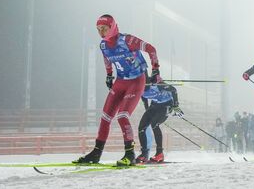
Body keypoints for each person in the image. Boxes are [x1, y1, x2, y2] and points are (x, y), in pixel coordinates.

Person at [74, 14, 160, 166]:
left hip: (136, 81)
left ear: (112, 27)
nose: (101, 32)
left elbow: (151, 49)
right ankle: (96, 153)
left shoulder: (127, 40)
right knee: (105, 117)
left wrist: (155, 70)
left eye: (104, 28)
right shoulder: (103, 45)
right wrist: (109, 75)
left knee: (122, 116)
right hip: (120, 82)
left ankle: (130, 154)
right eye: (98, 29)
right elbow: (107, 59)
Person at [135, 74, 183, 163]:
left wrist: (176, 105)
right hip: (154, 105)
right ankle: (144, 154)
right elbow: (144, 99)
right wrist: (147, 111)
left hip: (166, 104)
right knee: (141, 127)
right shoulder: (139, 88)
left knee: (154, 124)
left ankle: (159, 153)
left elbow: (173, 90)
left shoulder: (158, 84)